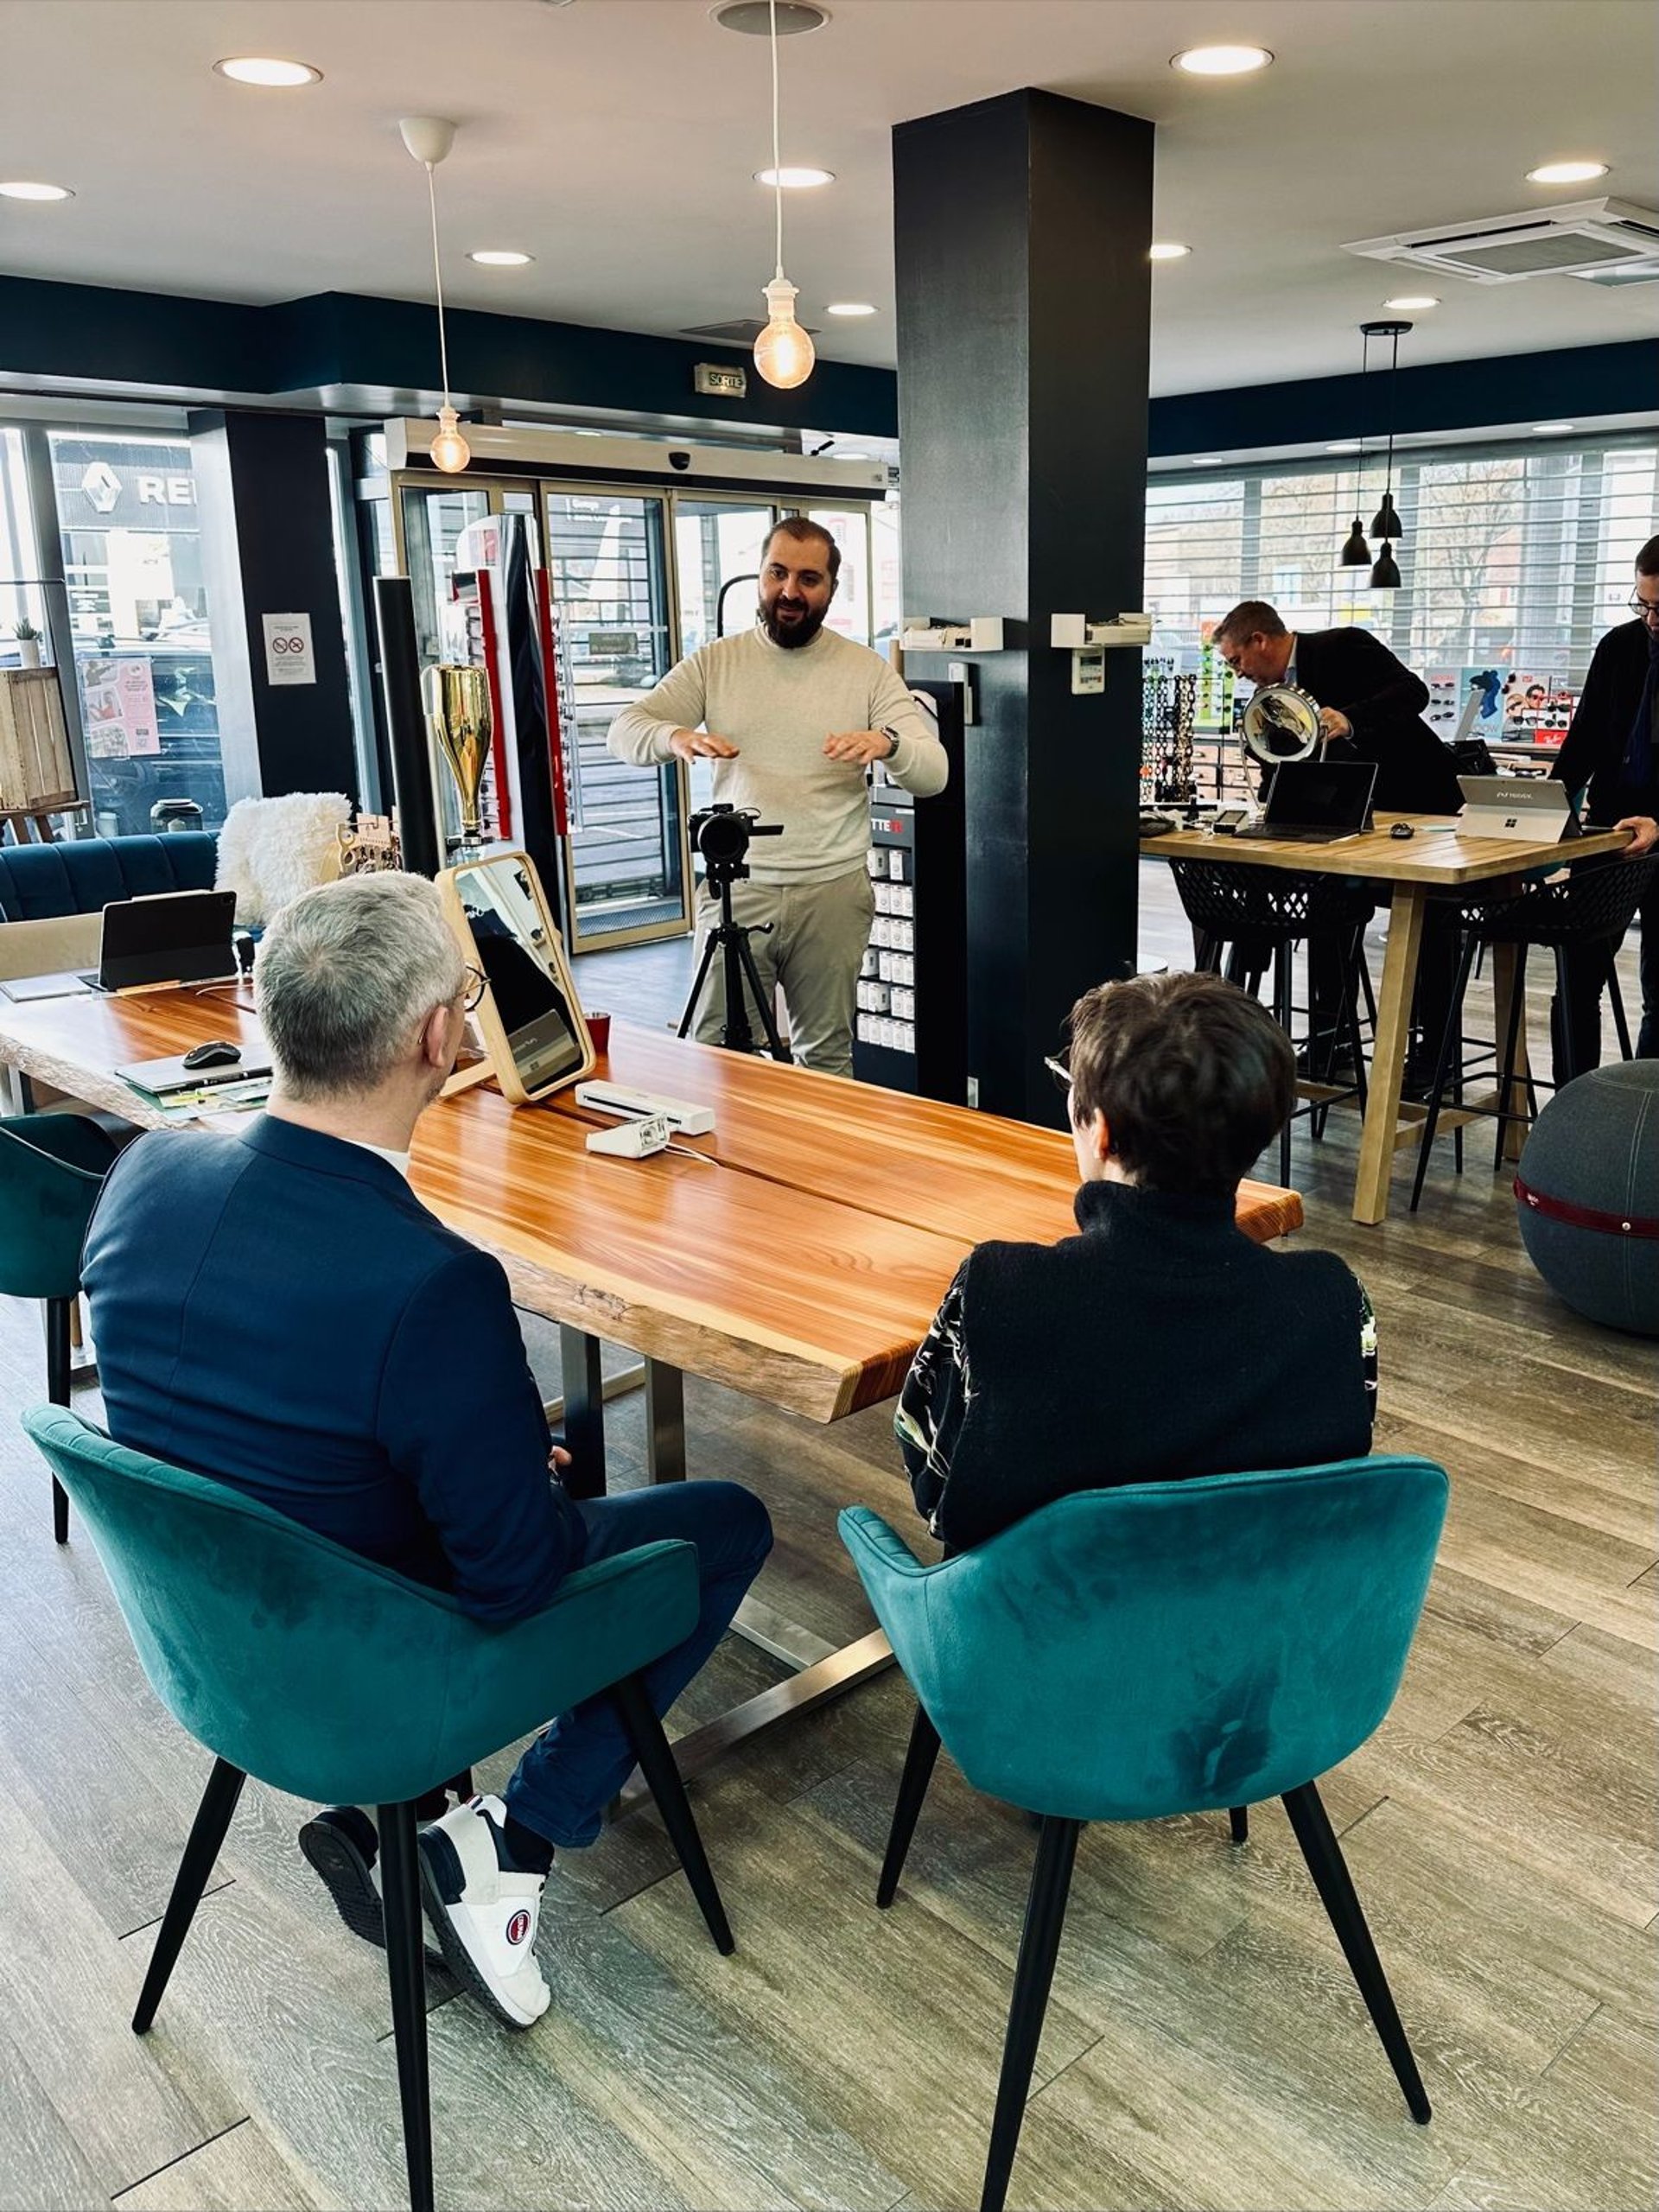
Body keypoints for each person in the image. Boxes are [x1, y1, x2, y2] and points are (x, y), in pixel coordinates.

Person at [80, 873, 772, 2031]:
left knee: (511, 1465)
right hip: (381, 1654)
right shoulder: (431, 1282)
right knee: (727, 1522)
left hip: (214, 1630)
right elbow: (516, 1579)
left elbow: (269, 1398)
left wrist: (495, 1457)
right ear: (441, 1036)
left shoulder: (148, 1168)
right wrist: (515, 1482)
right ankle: (518, 1838)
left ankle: (426, 1823)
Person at [895, 971, 1376, 1552]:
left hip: (1032, 1631)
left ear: (1101, 1130)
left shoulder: (999, 1289)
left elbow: (937, 1488)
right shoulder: (1334, 1304)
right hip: (1256, 1627)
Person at [607, 517, 948, 1077]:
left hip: (833, 894)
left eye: (808, 579)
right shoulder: (716, 662)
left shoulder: (865, 670)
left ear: (831, 590)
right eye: (777, 573)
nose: (790, 591)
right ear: (761, 575)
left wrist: (887, 743)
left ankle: (815, 1167)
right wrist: (675, 737)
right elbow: (626, 728)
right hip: (739, 890)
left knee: (827, 1058)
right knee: (716, 1053)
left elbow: (933, 772)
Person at [1214, 599, 1461, 1083]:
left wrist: (1350, 717)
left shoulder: (1344, 645)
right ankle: (1334, 1040)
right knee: (1327, 902)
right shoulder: (1274, 697)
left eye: (1236, 661)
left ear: (1259, 641)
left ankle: (1437, 1052)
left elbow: (1413, 693)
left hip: (1418, 799)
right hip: (1347, 815)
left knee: (1427, 910)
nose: (1238, 674)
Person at [1549, 533, 1659, 1078]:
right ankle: (1571, 1111)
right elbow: (1585, 737)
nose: (1652, 618)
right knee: (1576, 978)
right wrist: (1545, 805)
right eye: (1643, 604)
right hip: (1607, 830)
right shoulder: (1619, 646)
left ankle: (1645, 1115)